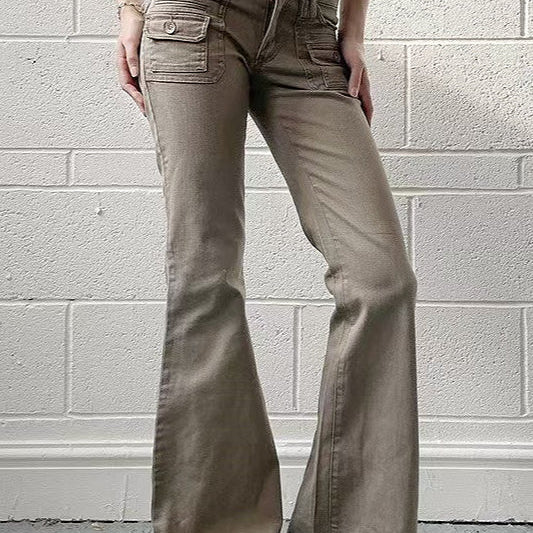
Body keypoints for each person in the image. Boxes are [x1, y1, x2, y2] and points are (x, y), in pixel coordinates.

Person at [116, 0, 419, 532]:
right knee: (205, 276)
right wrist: (131, 9)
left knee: (382, 280)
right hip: (194, 22)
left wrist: (353, 29)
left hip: (309, 33)